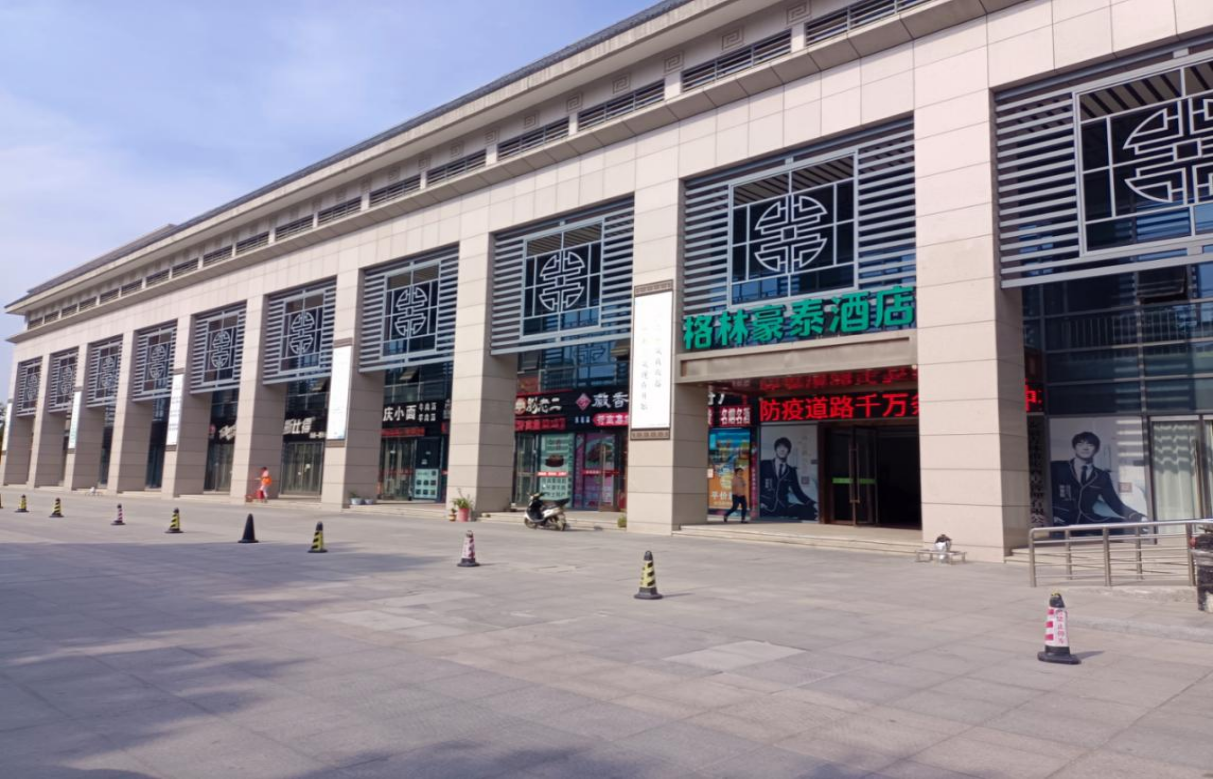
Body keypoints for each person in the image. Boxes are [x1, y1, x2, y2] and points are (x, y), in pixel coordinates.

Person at [1050, 432, 1145, 527]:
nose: (1085, 448)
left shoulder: (1101, 475)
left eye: (1090, 445)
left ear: (1097, 449)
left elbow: (1113, 501)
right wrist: (1051, 516)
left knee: (1127, 526)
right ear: (1074, 447)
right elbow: (1046, 493)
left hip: (1087, 521)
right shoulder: (1057, 467)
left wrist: (1135, 515)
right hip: (1060, 521)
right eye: (1080, 444)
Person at [759, 436, 818, 520]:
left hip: (782, 507)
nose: (782, 450)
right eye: (779, 447)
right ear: (776, 449)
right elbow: (756, 485)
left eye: (785, 447)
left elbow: (798, 492)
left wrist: (813, 503)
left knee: (810, 511)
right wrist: (758, 502)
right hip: (764, 506)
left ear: (789, 451)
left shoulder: (791, 471)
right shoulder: (764, 464)